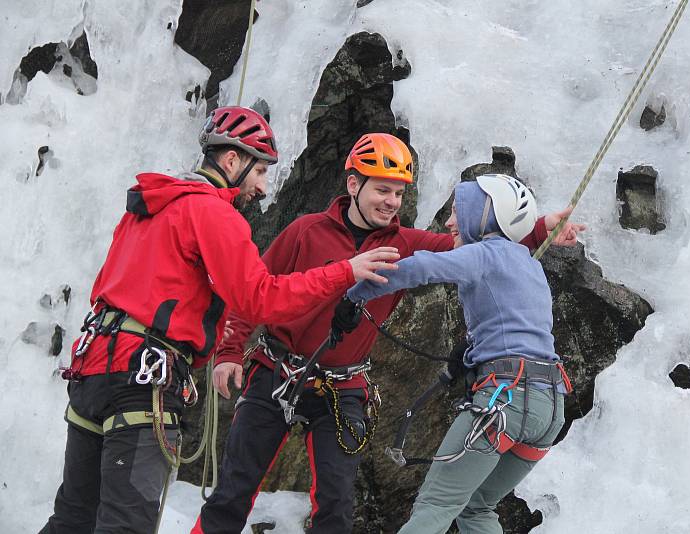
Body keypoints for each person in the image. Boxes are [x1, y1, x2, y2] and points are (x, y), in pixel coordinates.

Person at [194, 133, 584, 533]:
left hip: (341, 388)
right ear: (353, 185)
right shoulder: (304, 231)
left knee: (335, 507)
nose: (392, 201)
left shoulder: (404, 244)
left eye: (398, 193)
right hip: (275, 372)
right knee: (233, 492)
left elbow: (476, 250)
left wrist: (539, 230)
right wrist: (228, 352)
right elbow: (250, 292)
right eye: (383, 189)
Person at [39, 106, 399, 534]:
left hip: (92, 371)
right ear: (232, 161)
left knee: (72, 519)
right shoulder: (213, 213)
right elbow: (261, 299)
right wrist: (346, 270)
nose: (263, 188)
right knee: (124, 526)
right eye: (260, 172)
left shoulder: (147, 206)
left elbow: (105, 287)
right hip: (141, 383)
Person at [342, 174, 569, 534]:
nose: (449, 222)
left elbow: (423, 267)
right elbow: (513, 326)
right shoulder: (530, 264)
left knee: (436, 505)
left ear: (485, 216)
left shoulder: (484, 254)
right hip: (549, 407)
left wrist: (355, 293)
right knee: (477, 508)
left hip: (505, 399)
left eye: (458, 211)